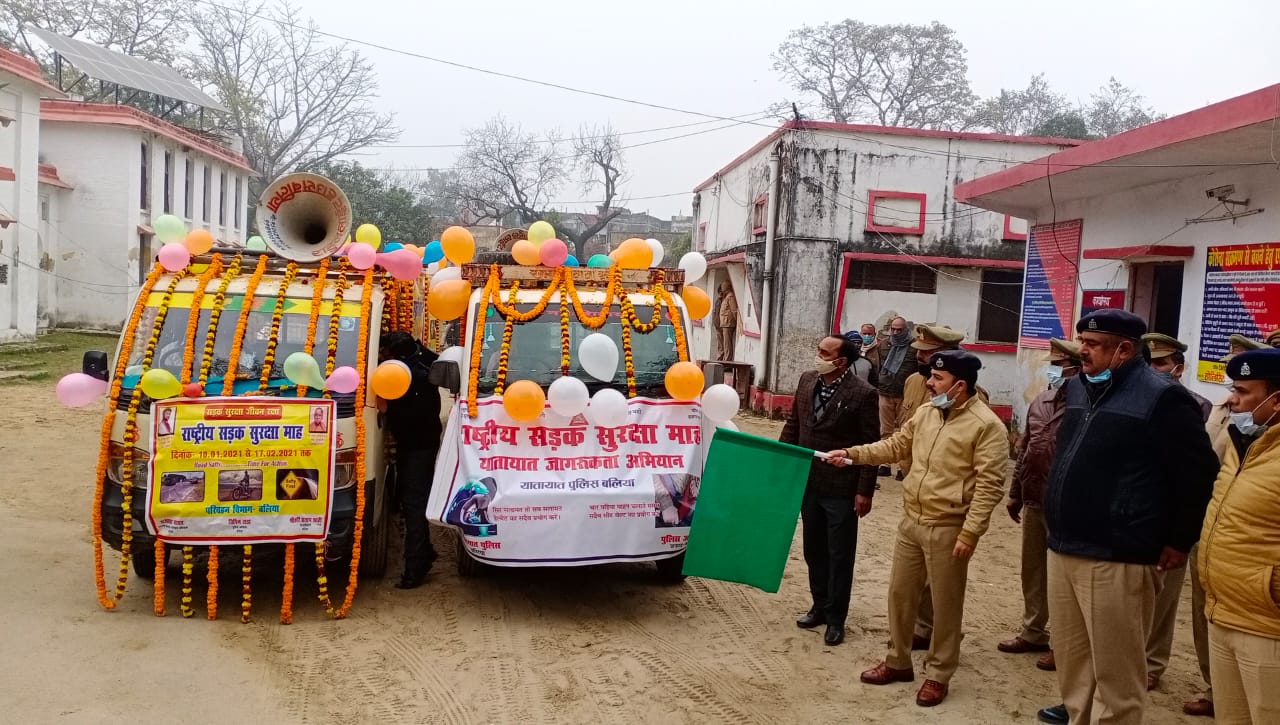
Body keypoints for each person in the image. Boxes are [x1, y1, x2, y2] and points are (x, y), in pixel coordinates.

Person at [1035, 310, 1218, 725]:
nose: (1082, 350)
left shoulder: (1162, 397)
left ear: (1125, 349)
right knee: (1074, 667)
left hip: (1117, 553)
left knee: (1117, 678)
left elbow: (1198, 473)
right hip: (1064, 545)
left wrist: (1178, 538)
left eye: (1094, 344)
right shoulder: (1079, 387)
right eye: (1082, 340)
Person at [826, 350, 1007, 707]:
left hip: (949, 526)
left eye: (938, 379)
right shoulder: (926, 413)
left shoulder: (986, 426)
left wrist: (971, 532)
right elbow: (895, 445)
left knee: (945, 604)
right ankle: (898, 661)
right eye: (931, 376)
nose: (929, 383)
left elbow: (990, 485)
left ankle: (939, 674)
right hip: (912, 520)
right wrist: (852, 454)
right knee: (900, 595)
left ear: (960, 385)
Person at [1197, 348, 1280, 724]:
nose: (1233, 399)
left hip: (1267, 624)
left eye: (1244, 391)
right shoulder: (1240, 442)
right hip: (1222, 609)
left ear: (1276, 400)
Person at [780, 335, 880, 647]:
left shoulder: (863, 394)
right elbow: (794, 426)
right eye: (819, 350)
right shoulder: (808, 380)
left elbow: (870, 446)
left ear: (841, 361)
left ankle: (836, 618)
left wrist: (865, 491)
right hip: (808, 483)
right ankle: (819, 606)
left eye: (825, 352)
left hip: (841, 489)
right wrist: (781, 465)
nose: (818, 356)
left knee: (839, 554)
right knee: (814, 549)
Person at [894, 322, 986, 651]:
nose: (924, 366)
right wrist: (853, 454)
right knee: (906, 587)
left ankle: (938, 644)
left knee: (940, 588)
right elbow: (900, 436)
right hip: (916, 495)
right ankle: (915, 637)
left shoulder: (977, 411)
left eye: (929, 356)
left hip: (947, 513)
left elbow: (985, 478)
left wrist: (971, 530)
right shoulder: (915, 386)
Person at [1000, 339, 1081, 671]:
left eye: (1059, 365)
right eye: (1053, 365)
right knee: (1033, 570)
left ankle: (1064, 644)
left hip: (1067, 503)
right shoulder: (1042, 401)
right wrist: (1016, 492)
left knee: (1064, 577)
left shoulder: (1086, 405)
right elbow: (1026, 450)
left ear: (1076, 369)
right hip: (1034, 498)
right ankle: (1034, 631)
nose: (1053, 371)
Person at [1141, 334, 1214, 696]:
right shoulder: (1135, 398)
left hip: (1172, 516)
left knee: (1164, 597)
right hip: (1138, 515)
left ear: (1178, 368)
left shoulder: (1199, 407)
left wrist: (1182, 530)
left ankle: (1152, 664)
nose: (1153, 370)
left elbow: (1197, 472)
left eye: (1160, 364)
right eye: (1149, 362)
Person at [379, 331, 442, 590]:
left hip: (416, 447)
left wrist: (386, 406)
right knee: (412, 500)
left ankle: (416, 567)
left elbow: (388, 409)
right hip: (423, 443)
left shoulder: (404, 379)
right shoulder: (424, 363)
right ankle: (424, 553)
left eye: (385, 355)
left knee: (414, 504)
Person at [874, 317, 916, 478]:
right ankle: (884, 464)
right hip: (885, 392)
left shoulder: (914, 347)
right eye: (893, 329)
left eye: (899, 329)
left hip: (906, 395)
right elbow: (877, 367)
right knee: (885, 430)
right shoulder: (883, 345)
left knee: (905, 431)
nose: (896, 332)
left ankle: (902, 467)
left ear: (906, 329)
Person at [715, 280, 738, 361]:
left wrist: (738, 323)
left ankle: (727, 361)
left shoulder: (730, 296)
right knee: (725, 344)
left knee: (727, 344)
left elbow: (734, 310)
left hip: (728, 323)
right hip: (725, 323)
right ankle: (725, 360)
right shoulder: (727, 297)